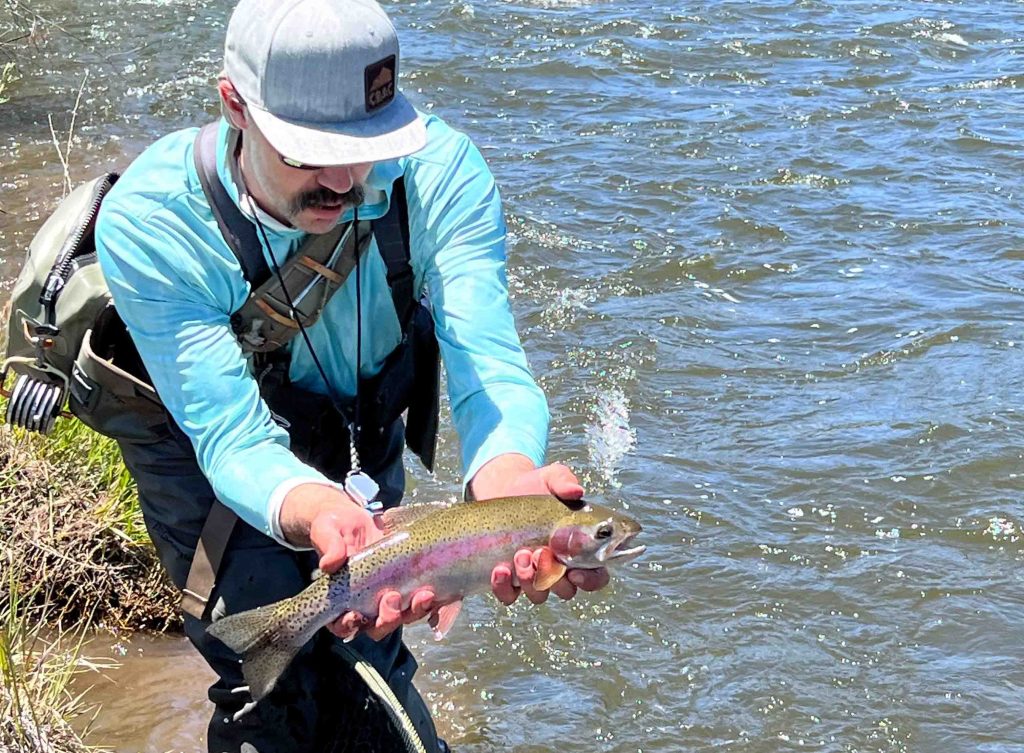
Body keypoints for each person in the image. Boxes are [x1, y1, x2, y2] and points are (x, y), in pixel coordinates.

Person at [93, 0, 608, 751]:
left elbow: (486, 363)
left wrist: (506, 473)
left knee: (369, 649)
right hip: (206, 447)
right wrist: (318, 509)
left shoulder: (442, 173)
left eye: (367, 143)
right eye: (310, 151)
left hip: (358, 424)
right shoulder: (153, 222)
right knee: (265, 679)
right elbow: (230, 434)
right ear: (234, 104)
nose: (344, 178)